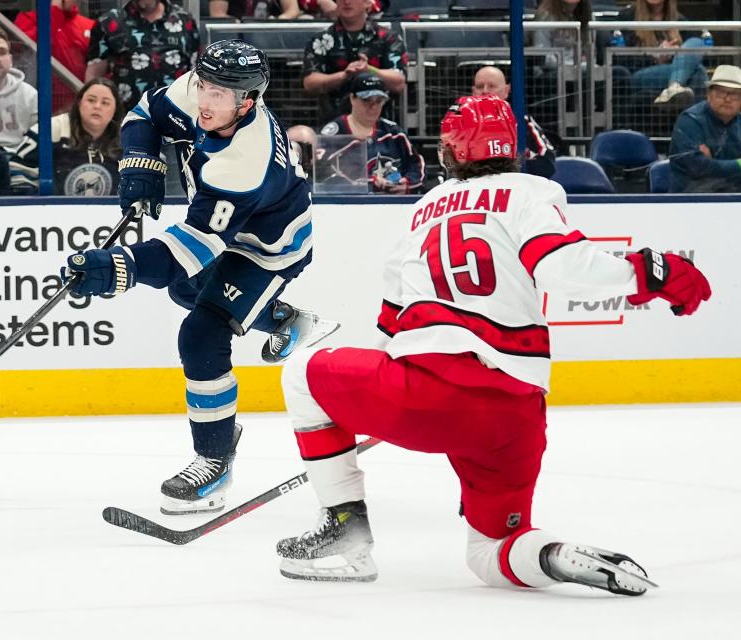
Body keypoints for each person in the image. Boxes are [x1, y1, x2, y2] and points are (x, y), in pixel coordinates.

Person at [275, 94, 711, 590]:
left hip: (428, 395)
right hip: (514, 415)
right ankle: (553, 555)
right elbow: (564, 268)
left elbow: (389, 328)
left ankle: (344, 530)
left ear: (457, 150)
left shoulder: (420, 211)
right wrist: (649, 272)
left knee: (301, 372)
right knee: (492, 551)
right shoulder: (532, 191)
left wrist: (353, 412)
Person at [61, 41, 339, 516]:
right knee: (186, 290)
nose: (205, 102)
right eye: (203, 87)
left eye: (219, 95)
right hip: (226, 232)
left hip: (268, 248)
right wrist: (141, 166)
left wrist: (117, 268)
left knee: (201, 334)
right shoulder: (203, 90)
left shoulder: (244, 162)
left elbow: (187, 251)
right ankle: (283, 323)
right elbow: (144, 115)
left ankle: (215, 460)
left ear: (247, 101)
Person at [13, 77, 123, 196]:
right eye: (91, 100)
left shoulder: (129, 140)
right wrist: (38, 205)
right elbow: (17, 171)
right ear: (79, 103)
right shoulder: (50, 129)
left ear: (115, 109)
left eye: (105, 103)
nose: (97, 106)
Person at [302, 0, 406, 122]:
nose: (346, 2)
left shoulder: (388, 38)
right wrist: (344, 75)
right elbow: (310, 83)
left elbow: (399, 82)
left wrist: (369, 70)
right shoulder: (321, 40)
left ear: (368, 3)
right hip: (333, 124)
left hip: (380, 124)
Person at [85, 0, 199, 111]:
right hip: (126, 118)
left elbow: (196, 75)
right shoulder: (108, 22)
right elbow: (94, 77)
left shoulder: (185, 21)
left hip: (176, 117)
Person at [319, 73, 423, 194]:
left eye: (379, 101)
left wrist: (407, 184)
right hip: (349, 205)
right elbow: (323, 174)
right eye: (366, 100)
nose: (373, 106)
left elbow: (416, 165)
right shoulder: (333, 134)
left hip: (394, 204)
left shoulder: (394, 133)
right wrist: (369, 183)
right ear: (352, 98)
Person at [615, 0, 709, 108]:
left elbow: (695, 58)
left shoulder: (680, 20)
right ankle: (694, 119)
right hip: (639, 75)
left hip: (672, 70)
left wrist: (675, 53)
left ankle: (674, 87)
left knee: (697, 42)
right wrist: (655, 57)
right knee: (698, 71)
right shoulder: (628, 16)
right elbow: (621, 59)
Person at [471, 65, 556, 178]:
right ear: (473, 91)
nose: (485, 91)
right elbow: (451, 166)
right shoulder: (459, 122)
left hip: (515, 190)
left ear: (506, 90)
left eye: (492, 86)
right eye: (480, 86)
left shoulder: (521, 121)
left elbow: (547, 164)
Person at [668, 65, 741, 193]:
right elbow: (699, 167)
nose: (727, 99)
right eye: (721, 93)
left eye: (735, 94)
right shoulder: (690, 120)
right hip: (689, 198)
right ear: (708, 94)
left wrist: (713, 163)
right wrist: (738, 164)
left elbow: (709, 167)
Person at [14, 0, 95, 113]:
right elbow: (26, 49)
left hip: (77, 107)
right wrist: (54, 12)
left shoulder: (90, 26)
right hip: (35, 105)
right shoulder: (27, 19)